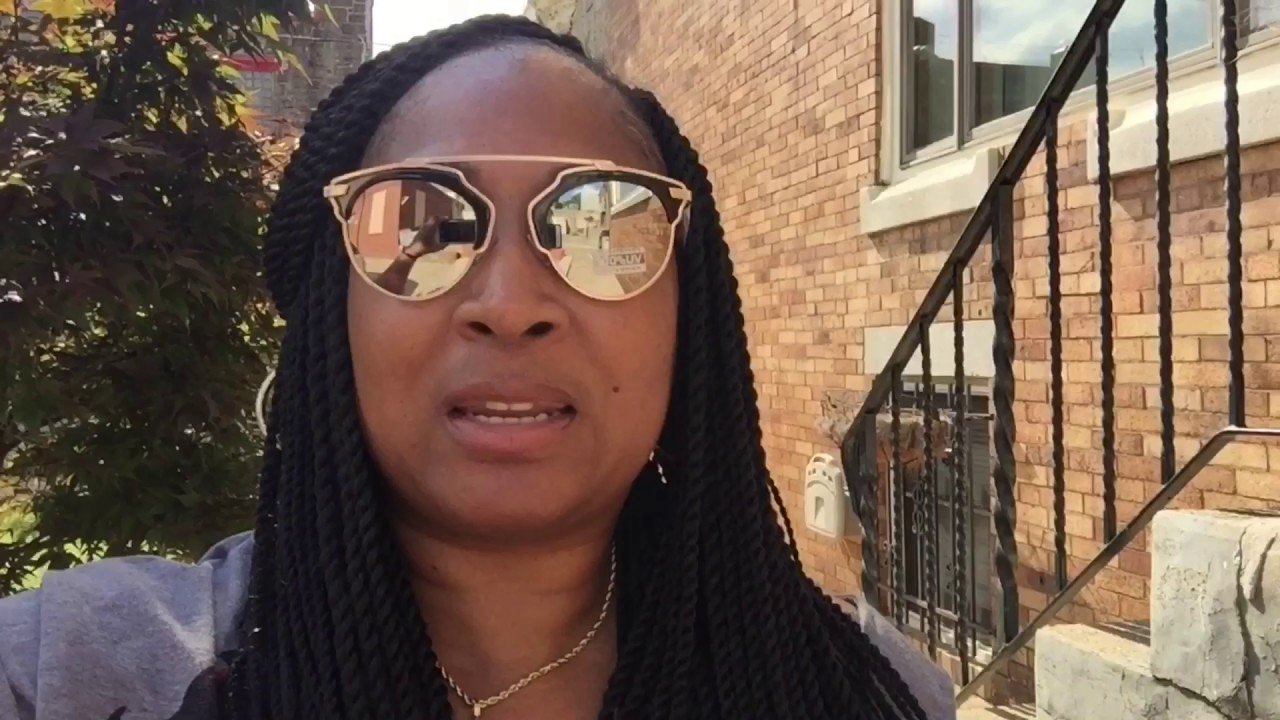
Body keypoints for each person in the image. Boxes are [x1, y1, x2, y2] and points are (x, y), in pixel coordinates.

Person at [0, 15, 956, 720]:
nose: (508, 301)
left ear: (689, 316)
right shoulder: (65, 672)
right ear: (334, 315)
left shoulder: (871, 694)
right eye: (418, 223)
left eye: (600, 221)